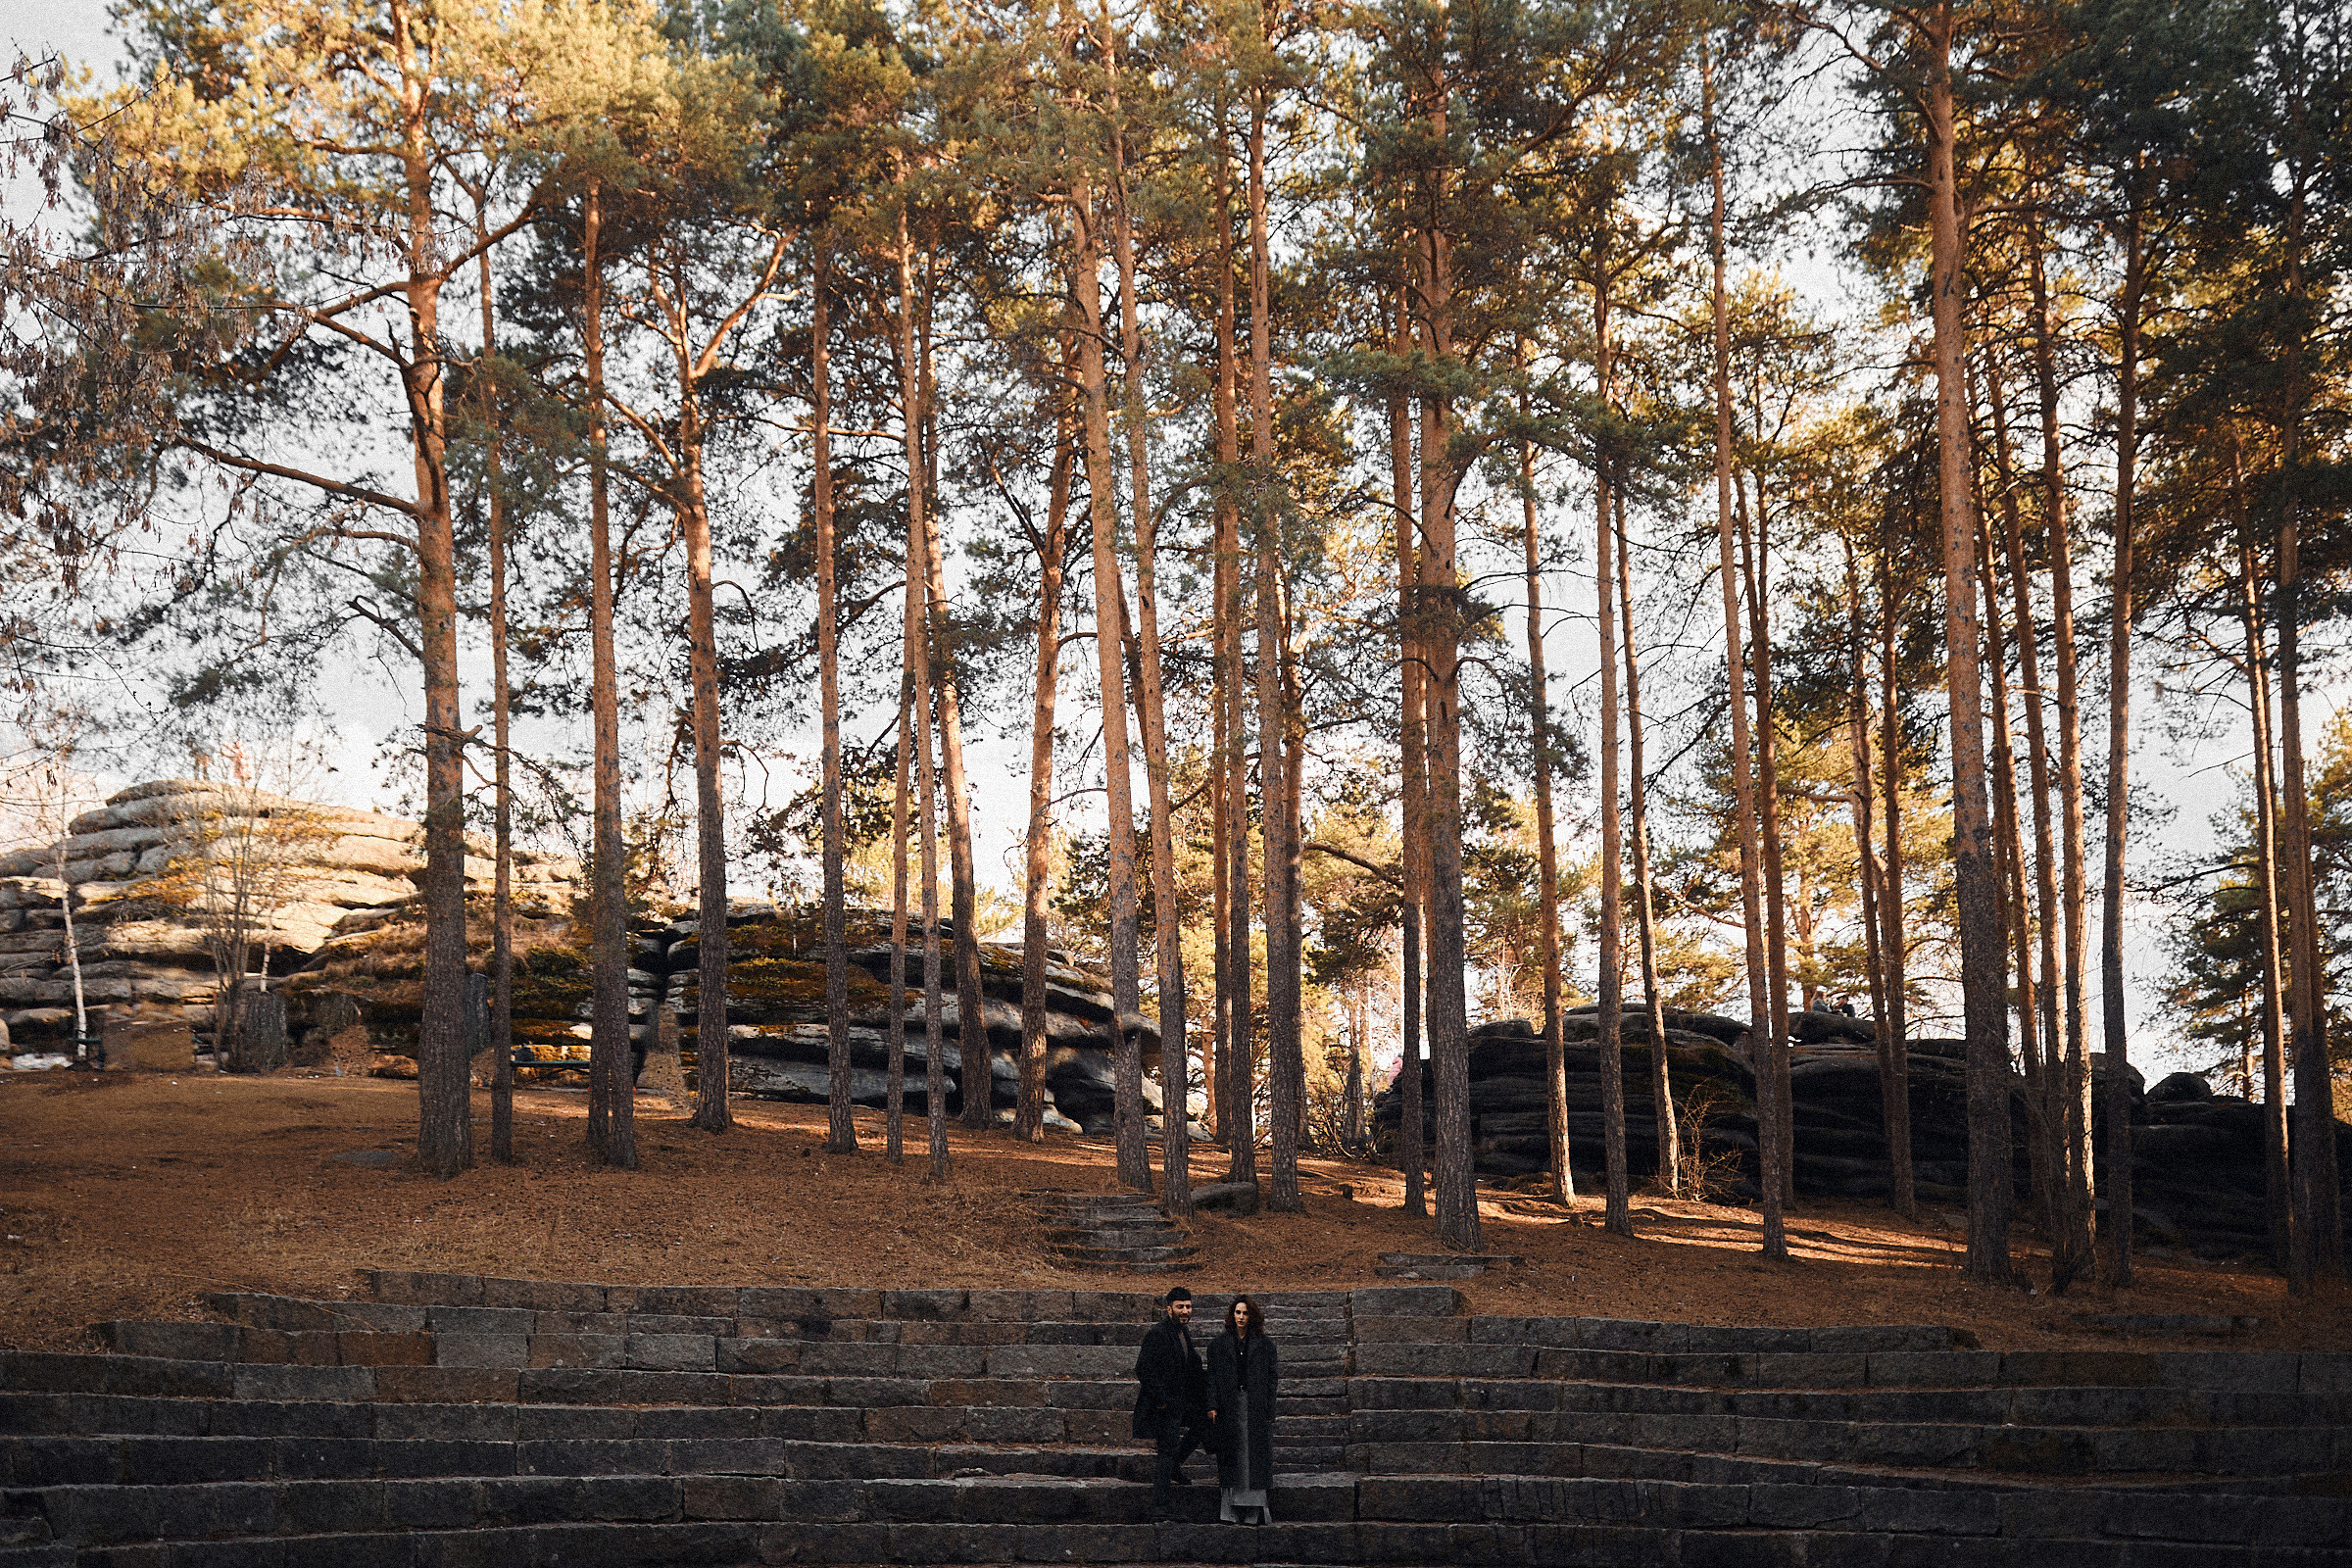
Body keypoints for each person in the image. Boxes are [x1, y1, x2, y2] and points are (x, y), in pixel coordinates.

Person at [1131, 1285, 1206, 1518]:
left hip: (1181, 1403)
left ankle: (1176, 1465)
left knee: (1203, 1423)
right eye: (1180, 1307)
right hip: (1162, 1406)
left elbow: (1193, 1368)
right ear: (1168, 1309)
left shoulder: (1184, 1333)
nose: (1185, 1311)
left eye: (1188, 1306)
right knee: (1166, 1450)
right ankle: (1161, 1507)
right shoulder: (1158, 1334)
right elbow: (1143, 1369)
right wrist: (1161, 1400)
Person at [1204, 1295, 1277, 1525]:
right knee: (1231, 1455)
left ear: (1252, 1316)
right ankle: (1229, 1511)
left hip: (1254, 1405)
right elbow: (1212, 1377)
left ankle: (1254, 1511)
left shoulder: (1265, 1345)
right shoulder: (1218, 1345)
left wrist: (1269, 1409)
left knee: (1253, 1456)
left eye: (1245, 1313)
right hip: (1229, 1405)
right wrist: (1212, 1405)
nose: (1241, 1317)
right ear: (1231, 1315)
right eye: (1237, 1312)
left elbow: (1271, 1379)